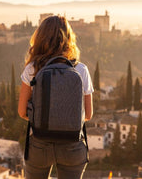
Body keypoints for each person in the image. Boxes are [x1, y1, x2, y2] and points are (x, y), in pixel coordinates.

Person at [18, 15, 94, 179]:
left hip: (39, 144)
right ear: (69, 38)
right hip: (73, 146)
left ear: (40, 37)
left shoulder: (32, 68)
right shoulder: (81, 70)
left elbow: (22, 111)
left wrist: (44, 120)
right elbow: (88, 115)